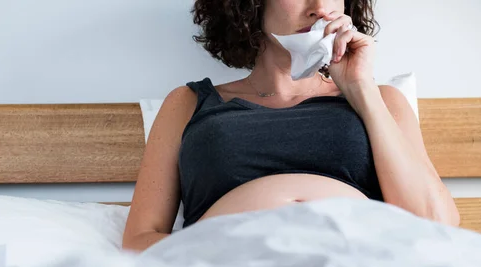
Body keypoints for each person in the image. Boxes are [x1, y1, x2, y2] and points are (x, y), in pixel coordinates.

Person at [122, 0, 459, 252]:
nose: (319, 8)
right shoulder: (188, 104)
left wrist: (361, 90)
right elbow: (139, 239)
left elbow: (436, 224)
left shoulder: (381, 100)